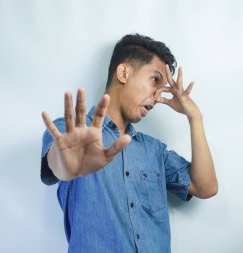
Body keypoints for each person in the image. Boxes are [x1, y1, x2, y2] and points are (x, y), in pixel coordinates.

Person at [40, 33, 218, 253]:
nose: (157, 96)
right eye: (155, 80)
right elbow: (58, 161)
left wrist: (195, 118)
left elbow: (206, 187)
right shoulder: (73, 133)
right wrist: (67, 162)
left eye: (162, 88)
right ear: (123, 72)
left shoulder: (155, 151)